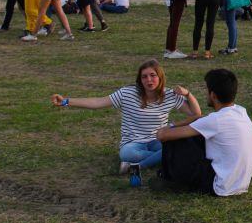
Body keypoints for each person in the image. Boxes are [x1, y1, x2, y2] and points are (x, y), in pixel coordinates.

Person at [51, 59, 201, 171]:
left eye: (153, 75)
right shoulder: (128, 93)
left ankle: (138, 166)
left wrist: (188, 93)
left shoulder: (169, 95)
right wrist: (66, 101)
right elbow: (98, 102)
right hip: (133, 142)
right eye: (144, 77)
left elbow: (196, 114)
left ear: (160, 77)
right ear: (140, 80)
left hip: (158, 139)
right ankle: (159, 158)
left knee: (175, 148)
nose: (149, 80)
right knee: (127, 154)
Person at [155, 69, 252, 196]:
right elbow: (204, 120)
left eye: (206, 90)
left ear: (213, 95)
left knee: (175, 140)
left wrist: (173, 125)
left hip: (220, 185)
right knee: (196, 135)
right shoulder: (241, 111)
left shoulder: (216, 120)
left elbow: (162, 135)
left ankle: (168, 178)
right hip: (240, 183)